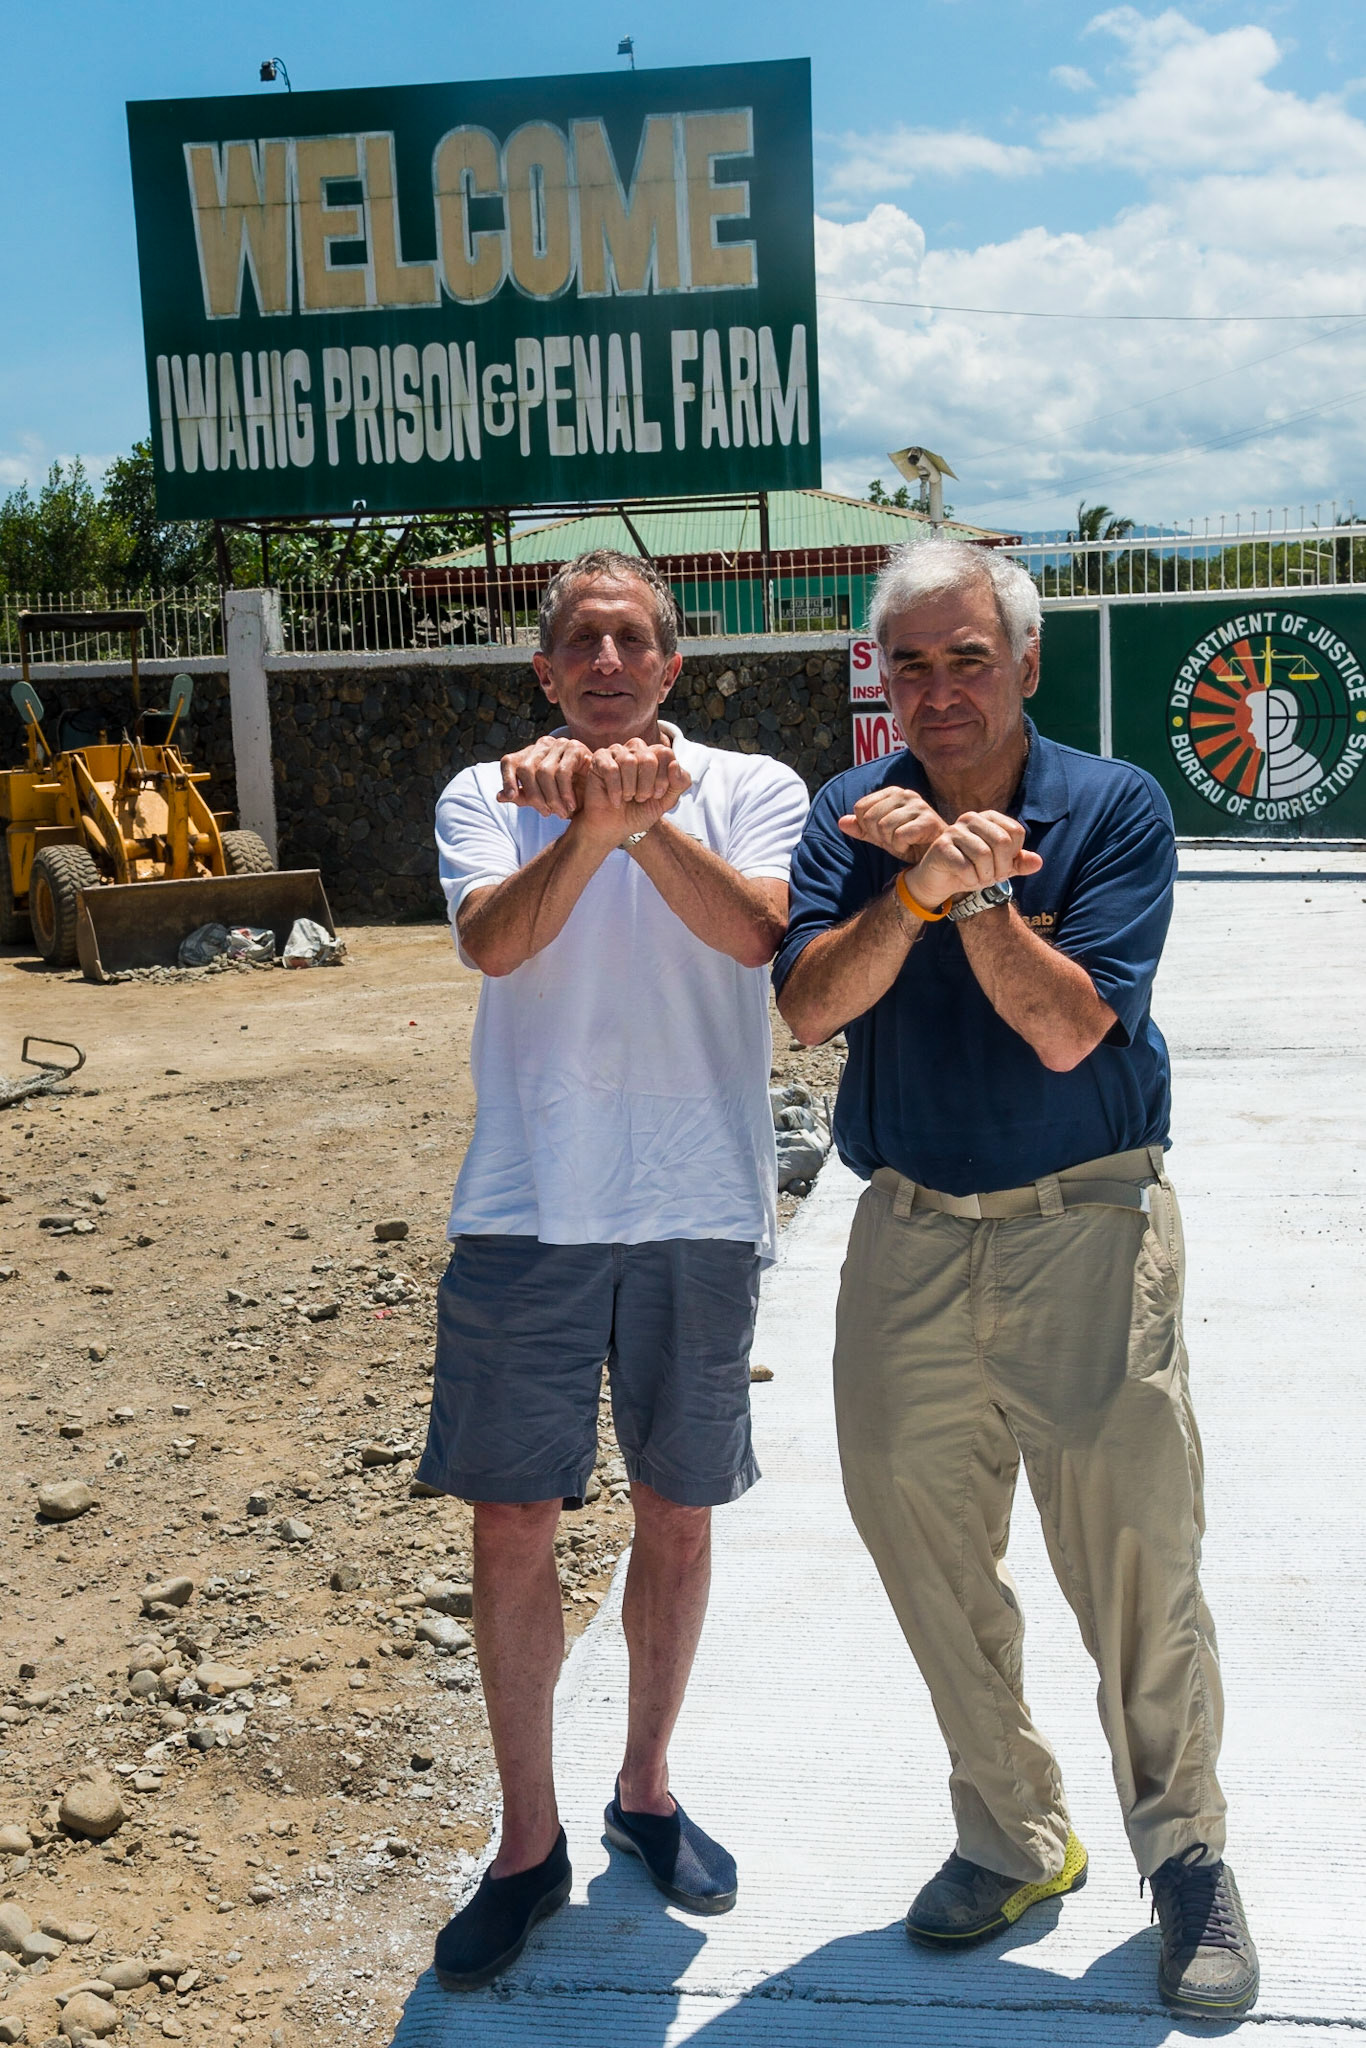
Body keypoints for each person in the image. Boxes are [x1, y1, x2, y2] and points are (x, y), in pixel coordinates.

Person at [774, 537, 1259, 2021]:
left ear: (1025, 664)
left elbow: (1065, 1030)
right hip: (909, 1230)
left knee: (1135, 1557)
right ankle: (1011, 1834)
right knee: (920, 1546)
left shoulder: (1111, 808)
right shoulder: (846, 816)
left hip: (1086, 1226)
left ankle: (1184, 1858)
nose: (937, 691)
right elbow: (809, 1006)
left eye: (967, 658)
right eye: (909, 664)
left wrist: (969, 891)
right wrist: (914, 888)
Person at [419, 547, 810, 1991]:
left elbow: (758, 932)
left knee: (678, 1512)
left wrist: (632, 823)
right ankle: (527, 1845)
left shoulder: (752, 785)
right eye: (578, 641)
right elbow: (493, 945)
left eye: (630, 639)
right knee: (512, 1519)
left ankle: (645, 1790)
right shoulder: (487, 792)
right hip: (527, 1205)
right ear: (543, 668)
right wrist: (584, 831)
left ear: (672, 664)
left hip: (697, 1204)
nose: (604, 662)